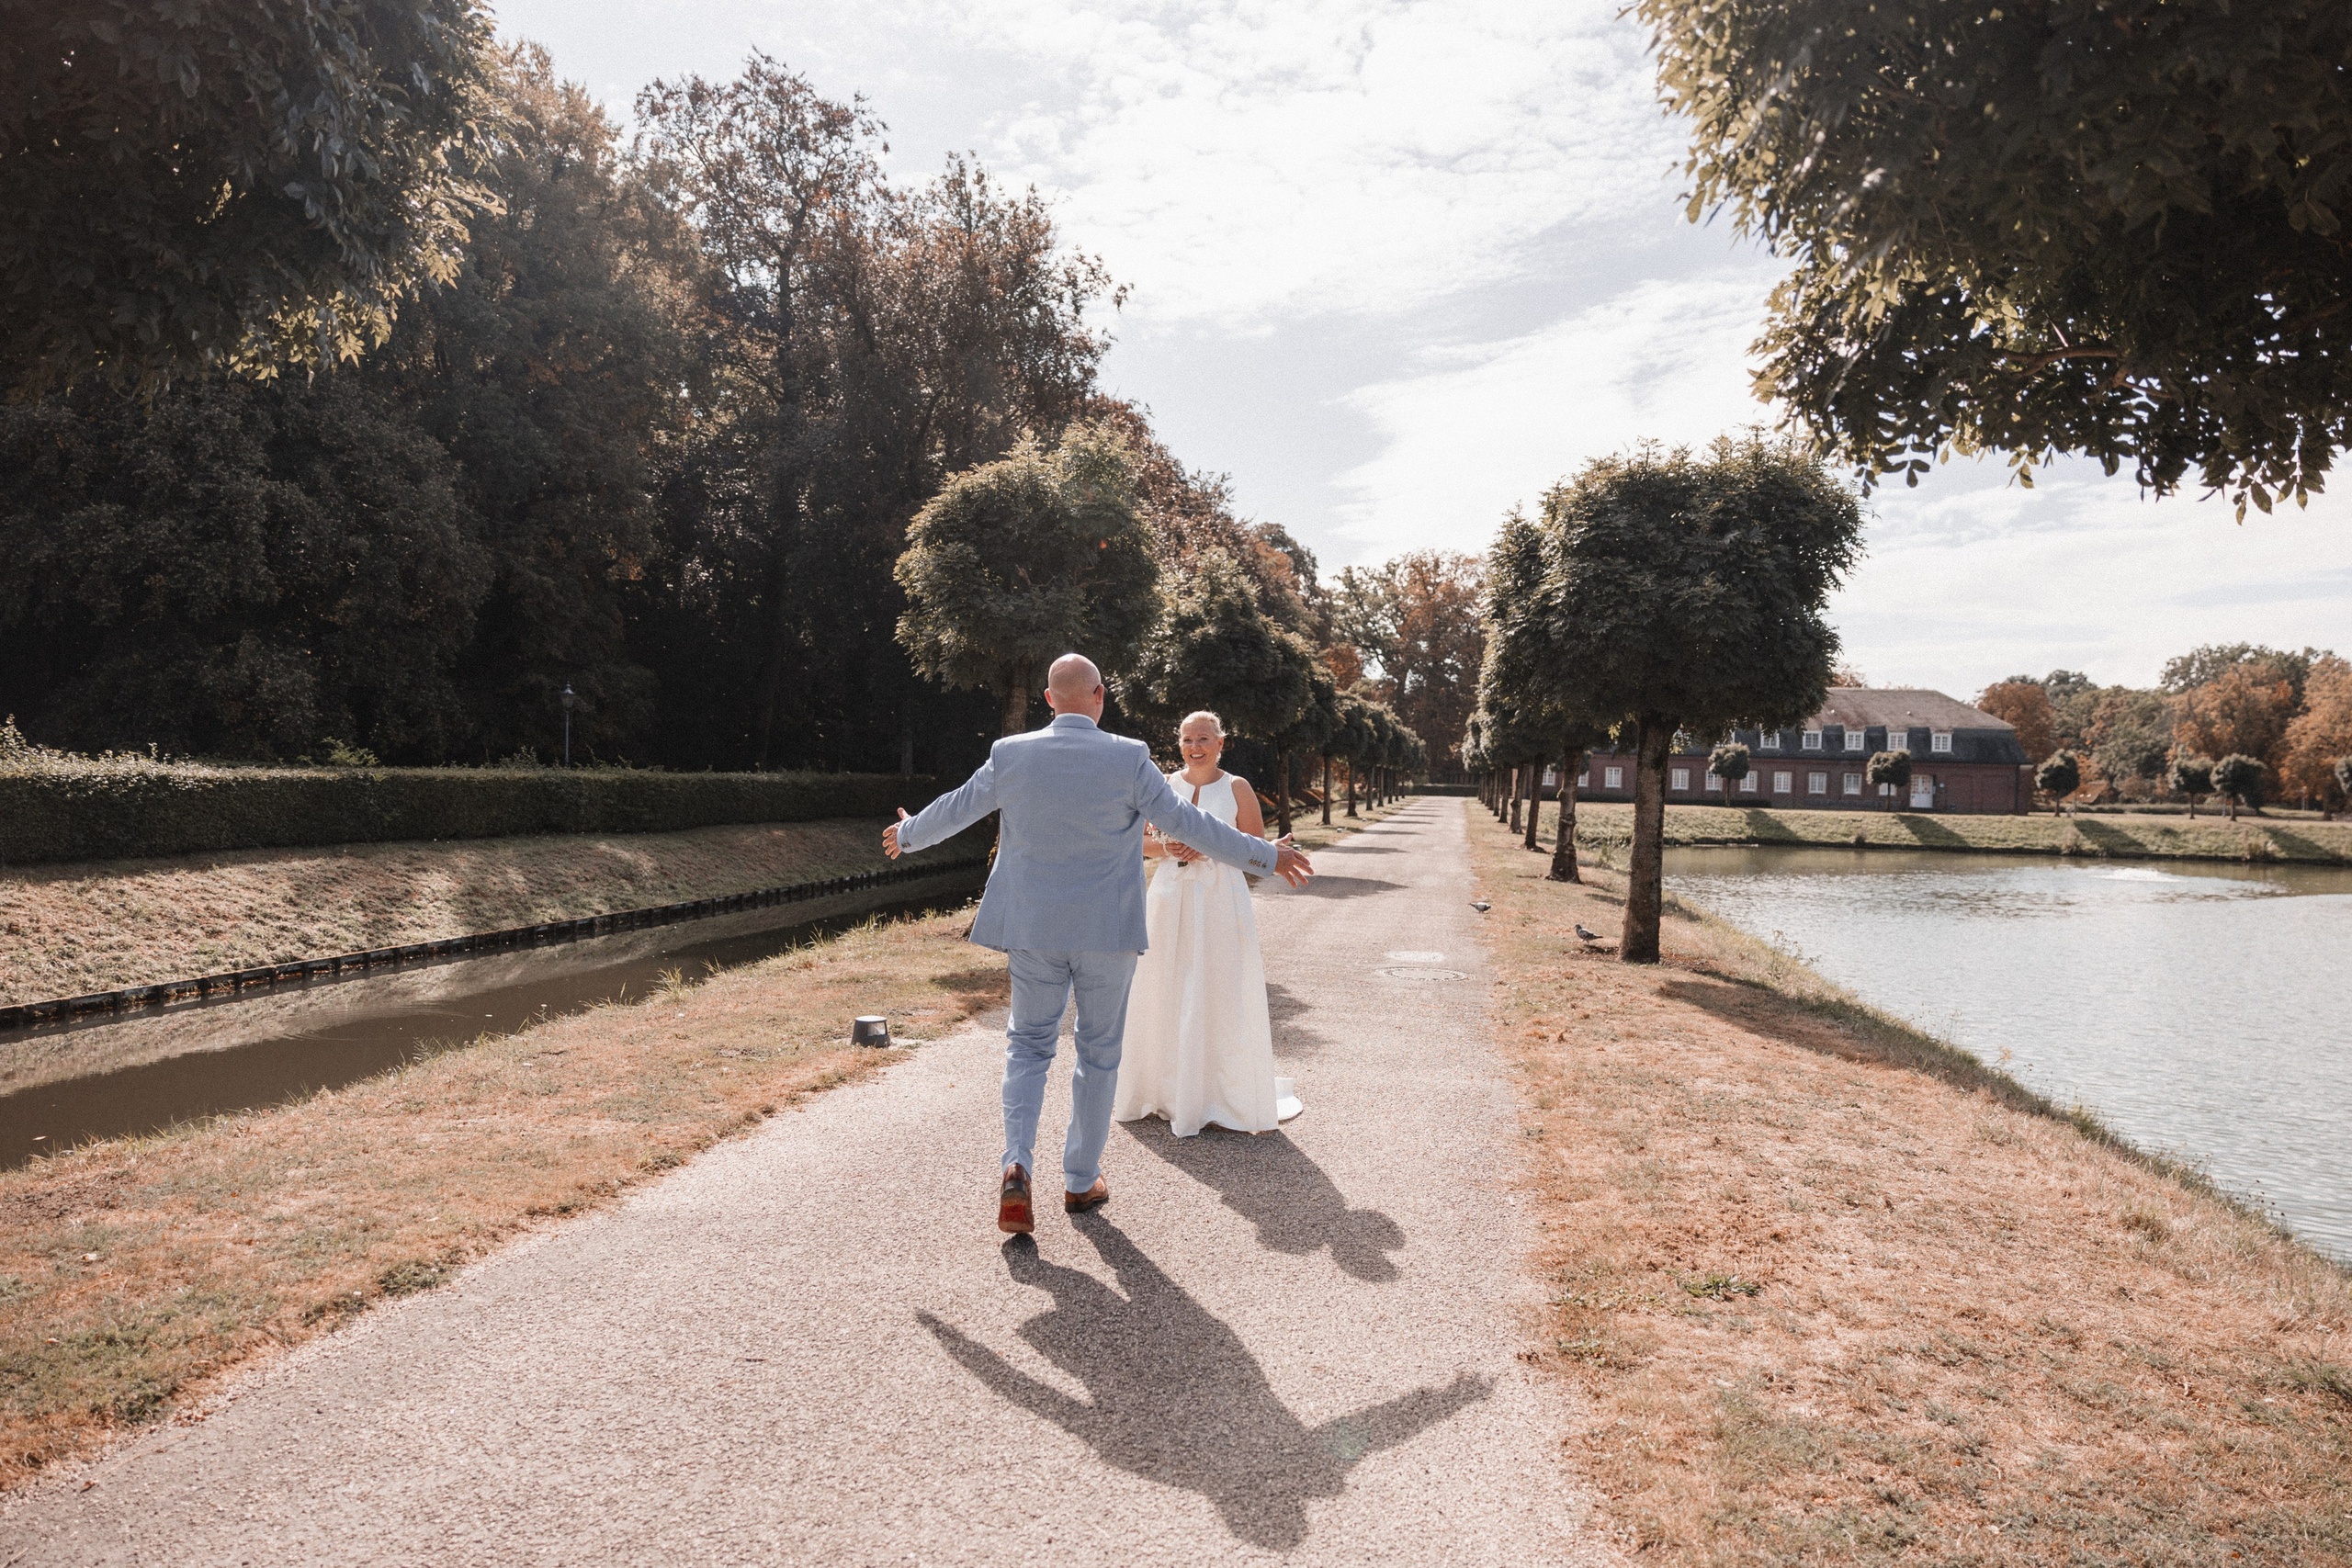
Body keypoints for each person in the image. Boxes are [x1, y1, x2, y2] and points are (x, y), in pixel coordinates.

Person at [883, 654, 1315, 1235]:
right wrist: (1266, 853)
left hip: (1033, 929)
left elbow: (959, 806)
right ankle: (1081, 1180)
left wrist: (908, 834)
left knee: (1028, 1047)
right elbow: (1189, 826)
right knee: (1097, 1053)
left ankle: (1016, 1163)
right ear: (1100, 696)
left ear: (1048, 699)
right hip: (1106, 931)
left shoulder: (1012, 754)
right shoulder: (1129, 756)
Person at [1114, 711, 1299, 1136]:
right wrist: (1166, 846)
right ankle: (1162, 1090)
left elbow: (1252, 848)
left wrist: (1213, 848)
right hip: (1167, 897)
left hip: (1219, 900)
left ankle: (1216, 1093)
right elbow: (1137, 841)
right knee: (1164, 983)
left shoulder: (1237, 787)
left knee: (1216, 985)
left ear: (1220, 742)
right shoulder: (1162, 785)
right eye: (1186, 739)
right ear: (1178, 744)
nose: (1194, 746)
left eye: (1203, 738)